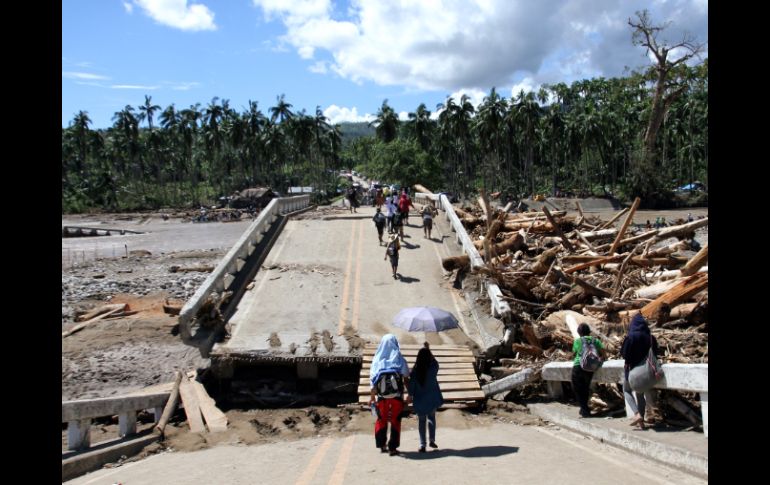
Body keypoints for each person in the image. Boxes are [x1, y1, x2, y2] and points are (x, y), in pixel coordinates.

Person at [369, 334, 410, 456]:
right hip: (397, 397)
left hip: (382, 398)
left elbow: (373, 381)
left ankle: (382, 445)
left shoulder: (377, 359)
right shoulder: (399, 358)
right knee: (395, 420)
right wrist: (410, 395)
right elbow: (406, 378)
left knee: (381, 420)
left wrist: (372, 398)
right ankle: (393, 448)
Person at [621, 314, 660, 430]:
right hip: (646, 371)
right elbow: (656, 353)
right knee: (640, 394)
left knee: (627, 390)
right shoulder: (650, 337)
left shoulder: (631, 337)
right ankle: (641, 420)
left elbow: (624, 354)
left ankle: (637, 414)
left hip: (631, 370)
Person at [408, 342, 444, 453]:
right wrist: (429, 350)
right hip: (432, 399)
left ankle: (422, 444)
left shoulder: (415, 372)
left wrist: (410, 395)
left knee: (421, 421)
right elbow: (436, 363)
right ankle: (432, 440)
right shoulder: (432, 369)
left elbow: (411, 388)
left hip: (420, 401)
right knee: (431, 418)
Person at [571, 323, 606, 418]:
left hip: (579, 365)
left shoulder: (578, 341)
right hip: (590, 367)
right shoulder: (596, 340)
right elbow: (603, 352)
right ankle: (584, 409)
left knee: (578, 389)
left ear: (579, 332)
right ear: (589, 332)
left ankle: (584, 409)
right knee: (585, 388)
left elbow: (574, 353)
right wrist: (600, 359)